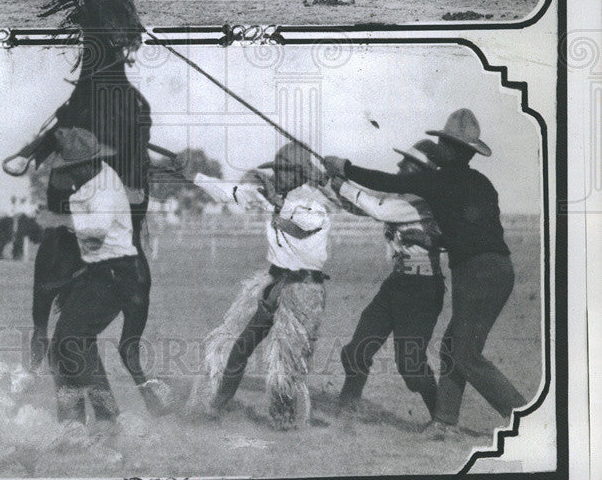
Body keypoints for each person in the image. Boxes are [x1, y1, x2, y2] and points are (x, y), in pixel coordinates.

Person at [324, 109, 527, 439]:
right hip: (497, 270)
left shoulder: (435, 180)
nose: (438, 146)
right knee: (454, 348)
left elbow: (386, 184)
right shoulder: (481, 184)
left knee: (465, 354)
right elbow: (479, 231)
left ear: (451, 149)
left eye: (442, 142)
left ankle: (524, 416)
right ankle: (444, 421)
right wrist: (437, 240)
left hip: (475, 273)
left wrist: (344, 169)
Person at [189, 142, 332, 430]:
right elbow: (231, 193)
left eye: (284, 170)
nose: (278, 175)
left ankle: (285, 419)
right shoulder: (278, 196)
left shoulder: (314, 201)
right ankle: (218, 404)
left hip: (303, 290)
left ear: (300, 174)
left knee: (286, 362)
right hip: (273, 282)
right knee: (241, 346)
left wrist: (276, 200)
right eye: (276, 170)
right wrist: (196, 176)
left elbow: (303, 224)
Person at [45, 127, 170, 427]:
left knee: (70, 342)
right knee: (69, 343)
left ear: (87, 165)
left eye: (72, 169)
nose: (69, 176)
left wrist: (61, 222)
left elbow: (93, 240)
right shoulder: (96, 180)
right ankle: (101, 416)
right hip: (102, 273)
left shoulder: (102, 191)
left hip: (116, 276)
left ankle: (82, 421)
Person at [330, 140, 446, 418]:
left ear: (419, 172)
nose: (398, 166)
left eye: (404, 163)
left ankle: (442, 419)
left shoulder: (419, 201)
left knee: (411, 366)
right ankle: (347, 408)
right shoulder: (402, 199)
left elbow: (377, 208)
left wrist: (342, 185)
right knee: (356, 350)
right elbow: (361, 207)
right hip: (397, 284)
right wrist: (331, 184)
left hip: (422, 289)